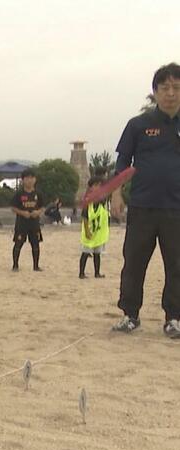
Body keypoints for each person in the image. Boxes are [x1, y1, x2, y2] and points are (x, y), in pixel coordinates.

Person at [112, 62, 180, 338]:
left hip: (176, 208)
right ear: (155, 92)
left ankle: (174, 318)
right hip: (141, 206)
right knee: (134, 262)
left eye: (176, 87)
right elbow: (122, 161)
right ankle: (130, 314)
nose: (171, 93)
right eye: (165, 87)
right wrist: (116, 193)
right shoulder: (138, 125)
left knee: (176, 265)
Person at [10, 169, 45, 272]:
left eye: (32, 178)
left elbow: (43, 207)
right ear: (23, 180)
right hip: (22, 223)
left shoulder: (38, 193)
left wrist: (37, 212)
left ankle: (36, 266)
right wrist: (22, 213)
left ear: (35, 179)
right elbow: (13, 207)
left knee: (35, 244)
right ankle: (15, 265)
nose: (29, 180)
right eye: (27, 178)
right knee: (18, 243)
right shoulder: (19, 193)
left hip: (34, 223)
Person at [79, 175, 109, 279]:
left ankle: (97, 273)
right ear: (90, 187)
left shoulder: (102, 200)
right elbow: (85, 217)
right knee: (85, 252)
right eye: (96, 185)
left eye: (100, 186)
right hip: (89, 230)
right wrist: (87, 230)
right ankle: (81, 273)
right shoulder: (88, 201)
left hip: (98, 232)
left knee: (97, 253)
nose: (98, 187)